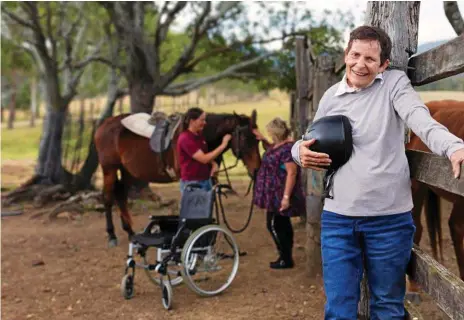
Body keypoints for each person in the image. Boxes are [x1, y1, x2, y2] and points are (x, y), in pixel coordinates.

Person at [291, 25, 464, 319]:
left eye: (370, 59)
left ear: (383, 64)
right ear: (346, 54)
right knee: (338, 308)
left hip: (389, 221)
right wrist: (298, 152)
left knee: (386, 306)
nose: (361, 64)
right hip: (338, 220)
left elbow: (421, 120)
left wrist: (453, 146)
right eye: (355, 55)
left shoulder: (394, 85)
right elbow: (309, 137)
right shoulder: (332, 96)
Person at [253, 117, 306, 269]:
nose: (269, 135)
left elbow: (292, 173)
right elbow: (273, 150)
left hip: (280, 193)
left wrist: (286, 198)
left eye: (270, 133)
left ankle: (285, 258)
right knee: (281, 224)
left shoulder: (288, 149)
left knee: (274, 225)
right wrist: (262, 138)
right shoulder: (280, 146)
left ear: (276, 133)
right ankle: (285, 256)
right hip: (274, 193)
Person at [177, 107, 232, 193]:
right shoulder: (186, 139)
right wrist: (223, 145)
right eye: (202, 120)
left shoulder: (199, 135)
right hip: (192, 183)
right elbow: (204, 159)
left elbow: (203, 154)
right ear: (192, 121)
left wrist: (213, 163)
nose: (204, 123)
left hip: (205, 181)